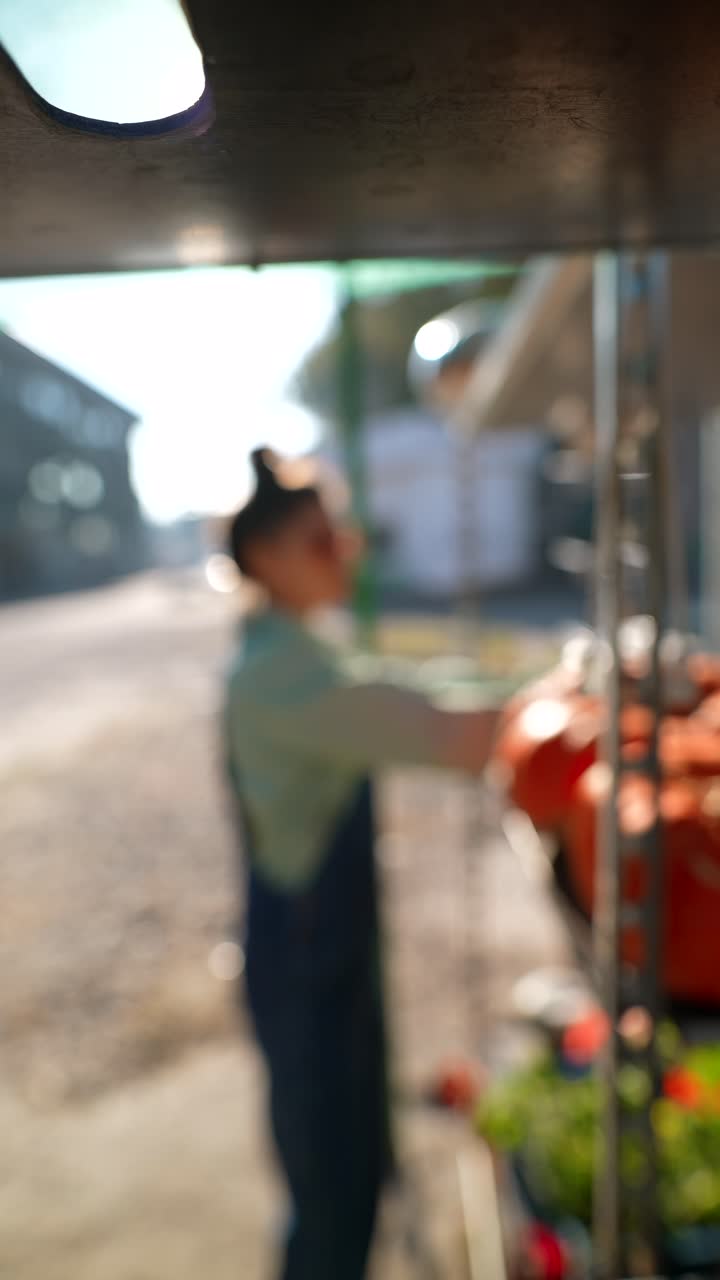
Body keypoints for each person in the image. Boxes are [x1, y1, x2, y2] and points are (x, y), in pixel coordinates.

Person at [223, 448, 504, 1280]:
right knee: (329, 1187)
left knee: (348, 1152)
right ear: (264, 560)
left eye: (337, 536)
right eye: (318, 542)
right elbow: (442, 735)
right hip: (306, 953)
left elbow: (389, 689)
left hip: (319, 943)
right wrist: (561, 705)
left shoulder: (298, 654)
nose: (342, 552)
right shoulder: (278, 676)